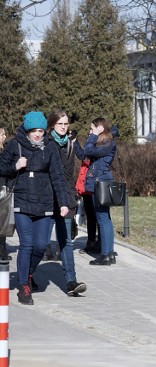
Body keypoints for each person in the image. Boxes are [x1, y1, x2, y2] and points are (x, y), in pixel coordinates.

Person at [0, 112, 70, 305]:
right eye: (34, 131)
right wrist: (15, 166)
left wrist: (63, 202)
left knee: (40, 245)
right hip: (22, 202)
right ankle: (23, 286)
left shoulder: (50, 147)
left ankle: (27, 273)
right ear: (27, 130)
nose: (37, 135)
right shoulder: (16, 145)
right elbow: (1, 166)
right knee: (27, 244)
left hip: (45, 203)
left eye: (40, 130)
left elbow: (57, 176)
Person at [46, 111, 87, 296]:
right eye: (60, 124)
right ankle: (27, 277)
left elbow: (82, 160)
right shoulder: (46, 143)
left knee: (66, 242)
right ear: (52, 125)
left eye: (66, 124)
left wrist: (72, 196)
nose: (64, 127)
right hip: (47, 199)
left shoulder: (70, 144)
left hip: (66, 198)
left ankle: (71, 281)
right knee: (40, 243)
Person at [83, 117, 116, 266]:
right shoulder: (104, 144)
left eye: (92, 129)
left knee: (102, 219)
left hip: (101, 182)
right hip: (101, 181)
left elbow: (88, 150)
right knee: (105, 218)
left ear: (100, 128)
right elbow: (86, 152)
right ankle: (108, 253)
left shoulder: (108, 143)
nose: (90, 132)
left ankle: (106, 254)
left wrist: (94, 135)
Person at [0, 128, 11, 261]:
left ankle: (2, 248)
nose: (5, 136)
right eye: (2, 134)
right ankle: (2, 250)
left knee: (3, 222)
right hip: (1, 188)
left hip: (4, 188)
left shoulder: (4, 150)